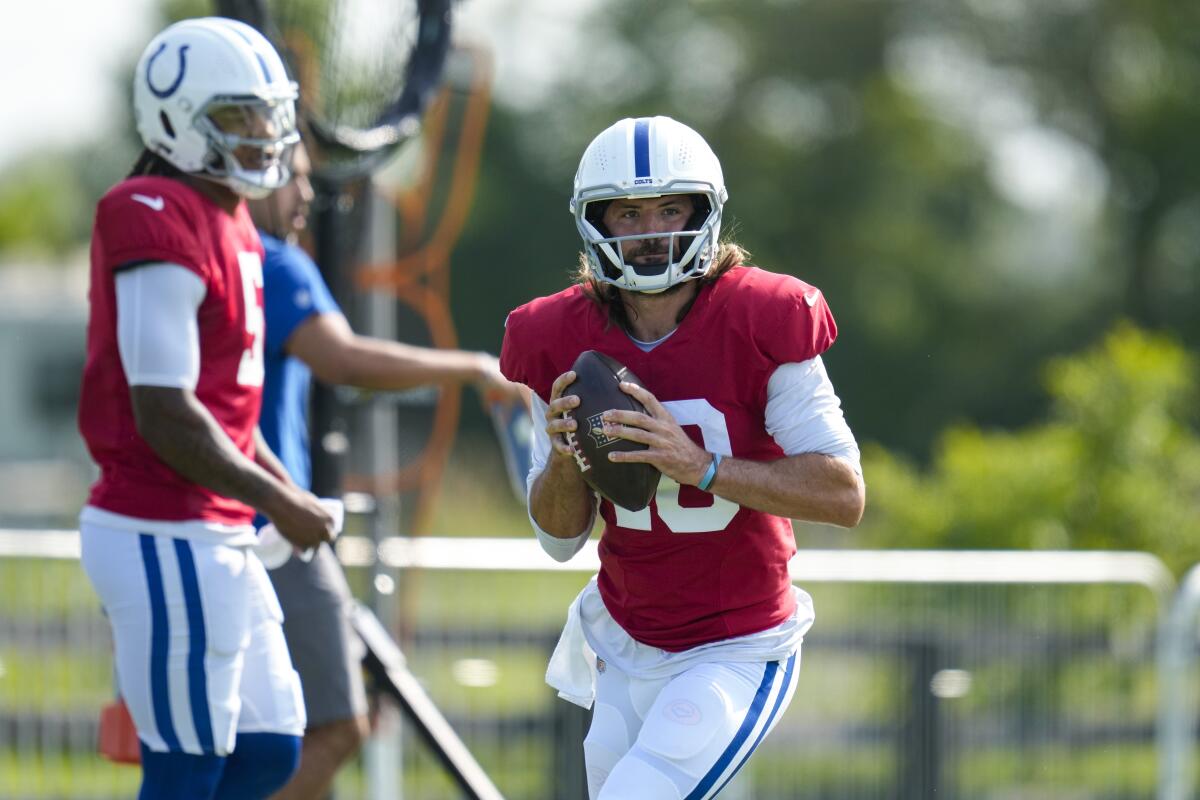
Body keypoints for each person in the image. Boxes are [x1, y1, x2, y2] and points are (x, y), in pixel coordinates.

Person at [499, 116, 866, 799]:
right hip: (623, 638)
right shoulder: (552, 335)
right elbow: (557, 540)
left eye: (671, 208)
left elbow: (843, 493)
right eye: (630, 213)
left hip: (736, 643)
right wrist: (560, 459)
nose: (652, 230)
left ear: (706, 212)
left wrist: (699, 466)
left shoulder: (763, 316)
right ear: (596, 224)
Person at [77, 18, 336, 800]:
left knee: (269, 749)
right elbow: (165, 411)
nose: (260, 137)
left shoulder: (236, 227)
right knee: (187, 766)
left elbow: (226, 414)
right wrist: (280, 505)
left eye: (266, 118)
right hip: (163, 525)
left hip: (212, 527)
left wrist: (285, 495)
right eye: (236, 118)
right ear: (174, 116)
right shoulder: (150, 208)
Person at [245, 142, 524, 800]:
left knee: (246, 741)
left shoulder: (197, 260)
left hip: (204, 528)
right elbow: (344, 360)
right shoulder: (276, 264)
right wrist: (473, 367)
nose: (307, 197)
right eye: (296, 180)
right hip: (272, 527)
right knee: (339, 726)